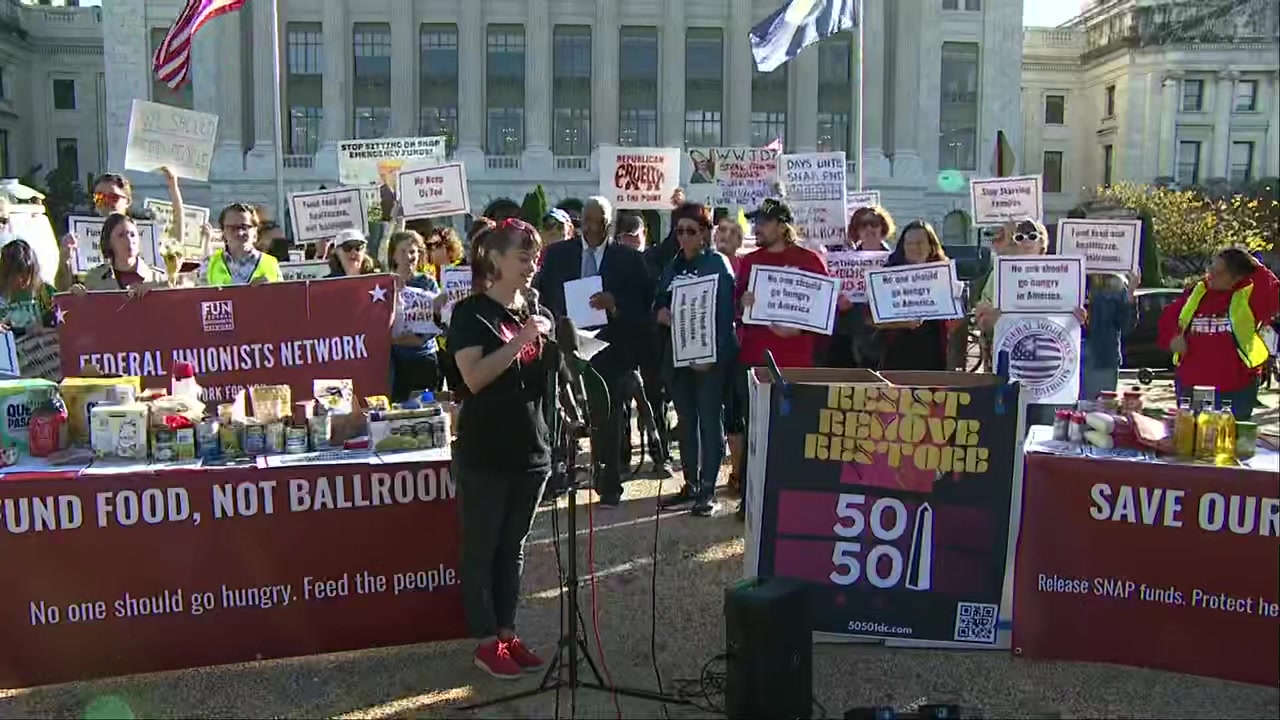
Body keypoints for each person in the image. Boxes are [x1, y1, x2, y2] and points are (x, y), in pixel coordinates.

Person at [447, 218, 553, 679]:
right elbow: (474, 377)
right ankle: (485, 639)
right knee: (483, 547)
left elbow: (540, 379)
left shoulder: (531, 309)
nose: (532, 266)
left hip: (531, 446)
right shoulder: (471, 314)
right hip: (486, 448)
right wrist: (526, 339)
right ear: (495, 259)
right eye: (522, 257)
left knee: (513, 547)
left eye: (535, 257)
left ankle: (508, 633)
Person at [535, 195, 654, 507]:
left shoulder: (627, 259)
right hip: (566, 346)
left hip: (609, 348)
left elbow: (644, 304)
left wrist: (615, 304)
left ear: (609, 224)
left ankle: (609, 481)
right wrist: (556, 318)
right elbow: (543, 295)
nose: (589, 227)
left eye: (596, 221)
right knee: (562, 413)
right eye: (584, 221)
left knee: (608, 416)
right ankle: (559, 477)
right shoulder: (558, 255)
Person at [734, 198, 832, 519]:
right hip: (756, 358)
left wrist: (799, 330)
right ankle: (751, 502)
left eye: (763, 221)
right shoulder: (750, 262)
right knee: (756, 432)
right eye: (755, 222)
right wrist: (744, 303)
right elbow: (737, 309)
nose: (756, 228)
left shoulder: (810, 260)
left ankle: (793, 499)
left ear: (782, 225)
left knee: (794, 431)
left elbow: (822, 310)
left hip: (796, 361)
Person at [654, 203, 738, 517]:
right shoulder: (672, 265)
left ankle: (707, 489)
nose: (685, 237)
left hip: (710, 358)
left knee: (708, 420)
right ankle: (690, 482)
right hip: (678, 355)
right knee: (686, 421)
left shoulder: (717, 264)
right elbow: (659, 299)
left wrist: (711, 356)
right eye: (680, 231)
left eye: (691, 231)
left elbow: (725, 313)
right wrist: (659, 313)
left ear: (704, 233)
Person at [1158, 247, 1279, 421]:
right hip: (1192, 386)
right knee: (1191, 440)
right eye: (1210, 268)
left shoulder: (1249, 295)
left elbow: (1274, 291)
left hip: (1235, 390)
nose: (1211, 275)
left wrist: (1255, 265)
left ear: (1237, 277)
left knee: (1228, 442)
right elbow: (1168, 318)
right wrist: (1172, 339)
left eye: (1219, 271)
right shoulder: (1197, 293)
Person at [873, 221, 954, 372]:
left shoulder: (944, 274)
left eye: (920, 242)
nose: (915, 248)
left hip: (935, 354)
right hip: (896, 353)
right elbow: (871, 319)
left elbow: (958, 321)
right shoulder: (888, 274)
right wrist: (902, 323)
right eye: (909, 243)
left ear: (931, 246)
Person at [829, 205, 897, 368]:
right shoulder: (842, 262)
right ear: (856, 230)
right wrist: (838, 300)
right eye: (863, 225)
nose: (869, 229)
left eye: (873, 223)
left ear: (882, 227)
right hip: (851, 334)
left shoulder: (896, 260)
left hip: (884, 338)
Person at [387, 230, 444, 399]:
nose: (408, 256)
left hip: (425, 358)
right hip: (397, 361)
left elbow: (438, 318)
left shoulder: (428, 282)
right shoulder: (385, 283)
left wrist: (418, 339)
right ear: (394, 256)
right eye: (402, 251)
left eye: (412, 251)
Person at [57, 212, 168, 294]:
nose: (129, 240)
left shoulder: (159, 279)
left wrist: (156, 292)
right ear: (109, 243)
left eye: (132, 235)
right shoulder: (95, 279)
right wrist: (77, 295)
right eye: (121, 235)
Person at [1080, 272, 1139, 402]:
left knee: (1099, 413)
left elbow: (1127, 326)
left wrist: (1130, 293)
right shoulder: (1067, 276)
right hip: (1064, 359)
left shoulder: (1116, 286)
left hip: (1102, 359)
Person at [199, 204, 282, 286]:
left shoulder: (271, 263)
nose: (239, 233)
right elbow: (201, 297)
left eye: (244, 227)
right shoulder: (210, 263)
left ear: (255, 232)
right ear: (223, 232)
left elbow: (283, 297)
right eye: (232, 228)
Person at [0, 240, 56, 336]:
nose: (21, 280)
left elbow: (63, 319)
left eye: (25, 272)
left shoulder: (45, 292)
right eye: (16, 272)